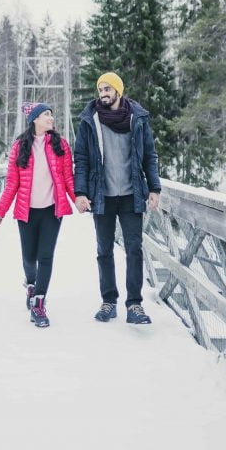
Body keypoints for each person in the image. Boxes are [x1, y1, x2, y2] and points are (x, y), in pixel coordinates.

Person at [73, 72, 161, 325]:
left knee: (134, 250)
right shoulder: (90, 121)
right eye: (100, 89)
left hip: (132, 194)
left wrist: (154, 189)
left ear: (118, 92)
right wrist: (80, 193)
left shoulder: (138, 119)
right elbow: (81, 160)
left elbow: (149, 156)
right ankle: (109, 301)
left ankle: (134, 305)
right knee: (104, 250)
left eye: (108, 89)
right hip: (102, 195)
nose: (103, 93)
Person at [0, 101, 78, 328]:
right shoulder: (20, 146)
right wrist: (1, 209)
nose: (51, 118)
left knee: (46, 256)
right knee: (29, 258)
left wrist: (77, 198)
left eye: (52, 114)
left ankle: (39, 303)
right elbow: (12, 183)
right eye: (47, 115)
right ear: (35, 120)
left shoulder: (61, 145)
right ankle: (31, 283)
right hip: (26, 211)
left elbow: (68, 178)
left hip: (52, 210)